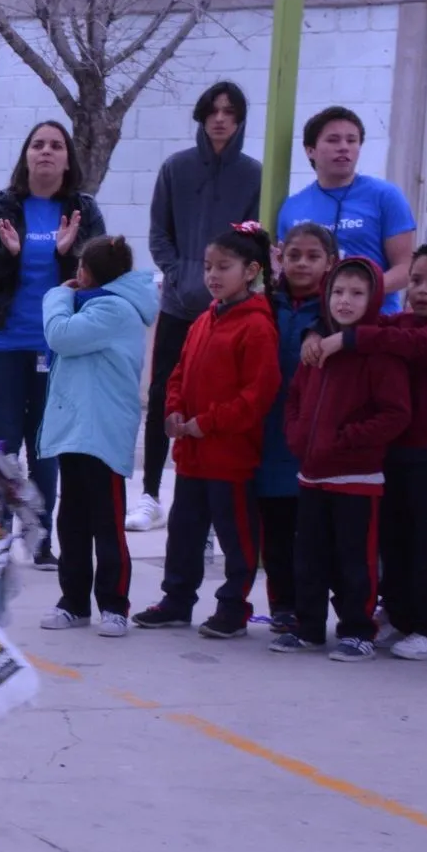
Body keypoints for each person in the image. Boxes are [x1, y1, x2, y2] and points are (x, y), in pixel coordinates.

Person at [308, 241, 427, 660]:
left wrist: (348, 340)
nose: (421, 290)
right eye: (416, 280)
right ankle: (402, 617)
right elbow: (376, 329)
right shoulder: (400, 323)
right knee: (396, 542)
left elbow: (412, 346)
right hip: (395, 454)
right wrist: (318, 332)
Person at [131, 222, 280, 638]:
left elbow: (257, 394)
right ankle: (177, 600)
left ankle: (234, 606)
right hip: (193, 456)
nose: (212, 275)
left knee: (236, 537)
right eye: (209, 266)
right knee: (184, 533)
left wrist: (208, 423)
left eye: (224, 267)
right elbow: (178, 373)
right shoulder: (203, 320)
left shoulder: (257, 326)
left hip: (230, 457)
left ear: (251, 271)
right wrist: (175, 411)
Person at [0, 119, 105, 569]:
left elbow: (101, 282)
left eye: (55, 145)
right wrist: (9, 254)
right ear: (26, 155)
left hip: (56, 347)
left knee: (46, 444)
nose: (46, 151)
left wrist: (70, 252)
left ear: (68, 159)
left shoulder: (83, 210)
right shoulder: (2, 206)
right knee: (3, 441)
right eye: (37, 145)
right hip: (3, 343)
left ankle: (41, 539)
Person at [134, 81, 262, 532]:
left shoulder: (253, 175)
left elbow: (255, 241)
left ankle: (210, 513)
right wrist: (182, 275)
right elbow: (158, 234)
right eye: (213, 110)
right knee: (162, 398)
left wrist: (229, 284)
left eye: (230, 111)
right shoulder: (176, 168)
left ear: (241, 119)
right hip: (177, 306)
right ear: (202, 116)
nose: (220, 118)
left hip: (230, 314)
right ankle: (150, 493)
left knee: (217, 404)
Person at [278, 258, 411, 661]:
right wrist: (299, 435)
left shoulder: (378, 354)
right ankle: (309, 628)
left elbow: (396, 414)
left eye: (357, 293)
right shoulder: (316, 346)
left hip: (357, 478)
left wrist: (347, 440)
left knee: (356, 561)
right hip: (312, 475)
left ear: (374, 299)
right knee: (310, 559)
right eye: (337, 292)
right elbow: (296, 397)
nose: (345, 301)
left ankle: (357, 632)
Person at [37, 236, 157, 638]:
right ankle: (73, 602)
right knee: (71, 522)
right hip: (76, 432)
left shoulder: (114, 309)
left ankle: (114, 605)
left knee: (107, 523)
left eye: (79, 269)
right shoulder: (95, 304)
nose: (74, 276)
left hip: (101, 435)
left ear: (88, 273)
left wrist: (56, 294)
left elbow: (59, 335)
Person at [255, 221, 339, 632]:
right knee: (276, 532)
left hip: (317, 443)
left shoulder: (338, 310)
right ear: (279, 258)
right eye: (293, 256)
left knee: (318, 537)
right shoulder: (265, 306)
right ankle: (283, 606)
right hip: (271, 438)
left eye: (313, 256)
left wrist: (320, 329)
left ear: (331, 262)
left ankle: (325, 610)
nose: (302, 264)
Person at [277, 106, 416, 316]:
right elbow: (284, 270)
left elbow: (406, 268)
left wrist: (359, 292)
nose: (344, 147)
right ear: (310, 150)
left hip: (375, 323)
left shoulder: (385, 196)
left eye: (352, 140)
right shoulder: (292, 206)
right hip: (309, 323)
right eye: (333, 140)